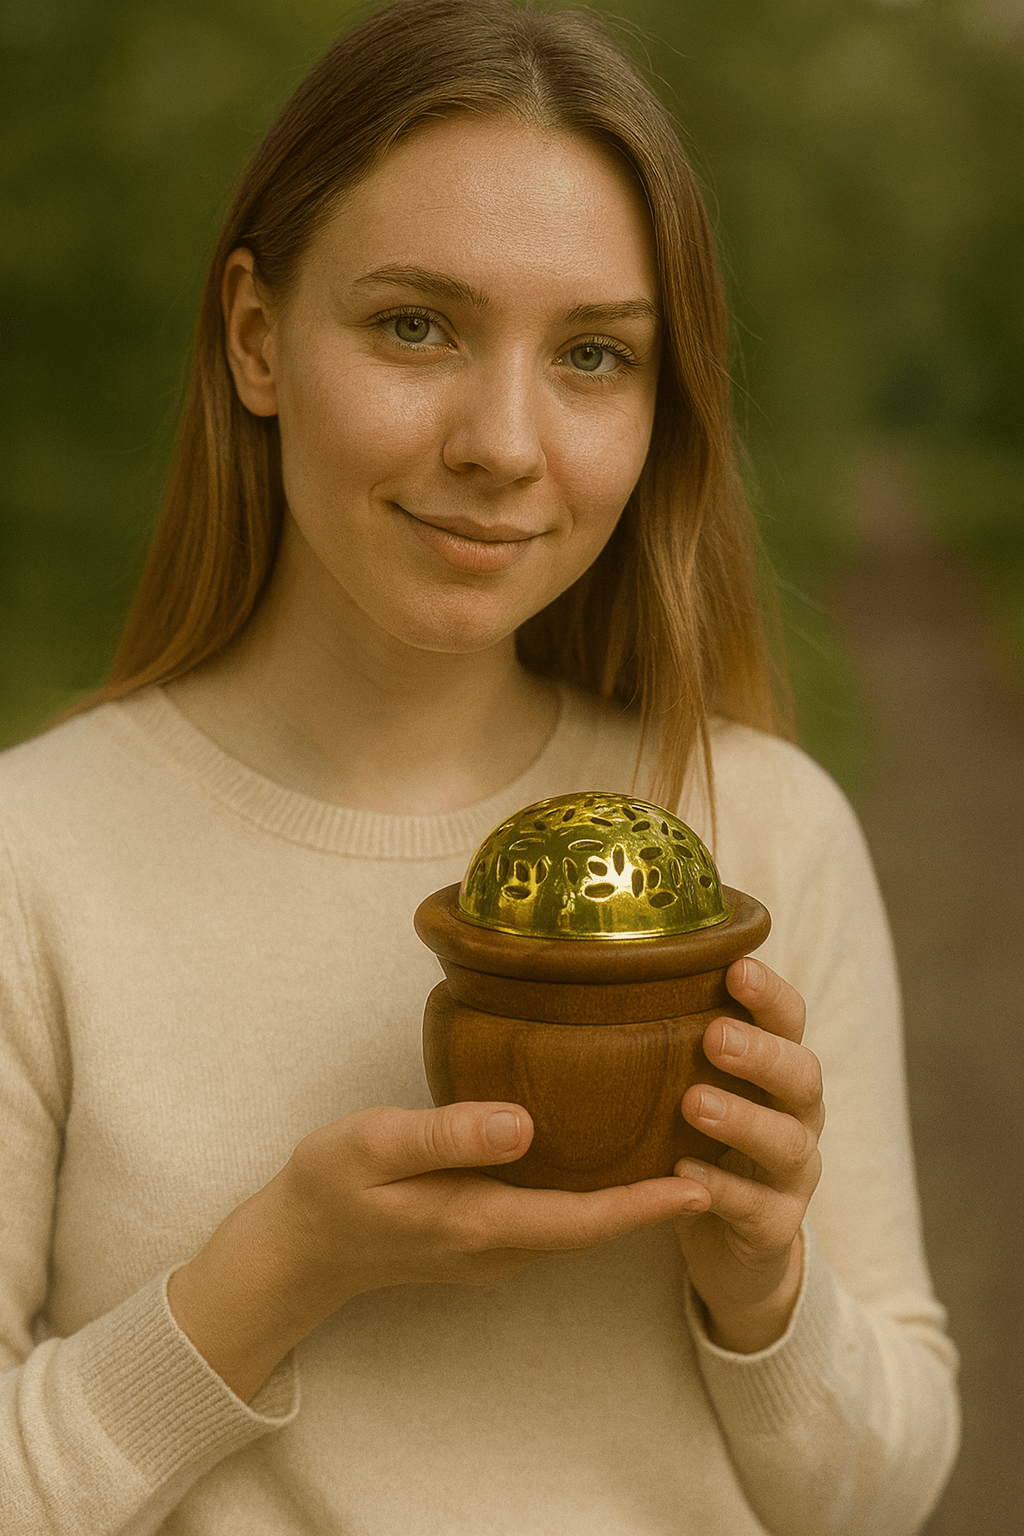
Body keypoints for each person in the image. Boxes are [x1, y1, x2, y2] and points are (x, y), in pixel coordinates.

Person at [0, 1, 958, 1531]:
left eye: (592, 355)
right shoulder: (33, 859)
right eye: (415, 326)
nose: (504, 442)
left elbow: (885, 1487)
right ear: (257, 338)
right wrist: (276, 1274)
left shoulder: (757, 830)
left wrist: (764, 1288)